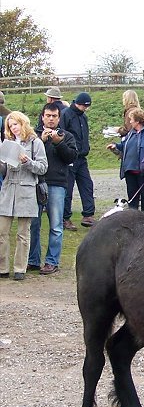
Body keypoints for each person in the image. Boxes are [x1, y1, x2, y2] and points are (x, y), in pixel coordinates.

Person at [28, 103, 78, 275]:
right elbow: (25, 156)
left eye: (54, 116)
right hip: (35, 183)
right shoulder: (33, 135)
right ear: (42, 116)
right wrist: (40, 142)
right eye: (48, 115)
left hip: (57, 184)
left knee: (56, 225)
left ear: (58, 118)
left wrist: (58, 143)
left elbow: (71, 157)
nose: (50, 119)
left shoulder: (67, 136)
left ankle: (52, 261)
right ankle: (33, 260)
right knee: (33, 224)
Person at [0, 112, 48, 280]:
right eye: (10, 125)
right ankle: (2, 267)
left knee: (23, 233)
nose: (13, 128)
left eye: (15, 124)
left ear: (23, 123)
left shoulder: (36, 143)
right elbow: (4, 170)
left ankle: (20, 269)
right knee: (2, 231)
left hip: (26, 191)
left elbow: (43, 168)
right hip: (8, 190)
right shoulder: (8, 143)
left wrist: (27, 161)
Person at [106, 107, 144, 213]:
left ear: (137, 121)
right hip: (130, 172)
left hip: (143, 173)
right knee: (132, 199)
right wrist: (115, 146)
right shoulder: (131, 133)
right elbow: (124, 146)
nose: (130, 121)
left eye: (131, 119)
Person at [59, 92, 96, 229]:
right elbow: (61, 133)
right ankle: (65, 218)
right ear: (79, 104)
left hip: (82, 157)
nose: (85, 109)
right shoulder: (66, 115)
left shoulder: (83, 117)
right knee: (68, 188)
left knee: (87, 184)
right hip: (70, 157)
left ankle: (88, 215)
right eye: (85, 106)